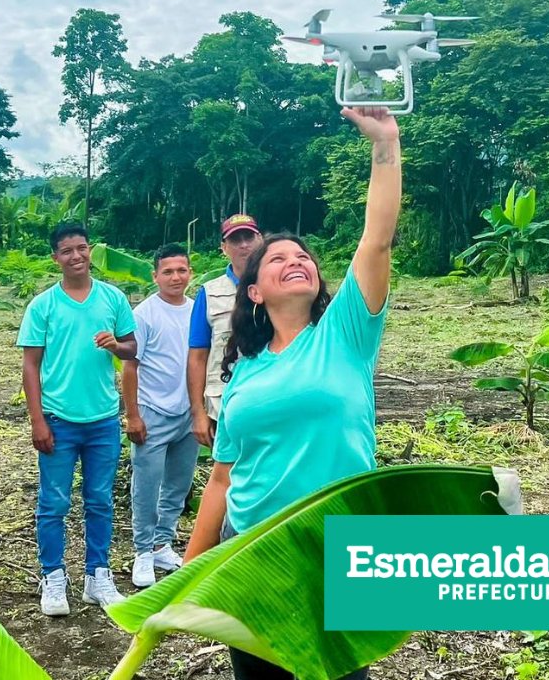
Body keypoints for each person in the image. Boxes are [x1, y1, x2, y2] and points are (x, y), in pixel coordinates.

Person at [184, 106, 400, 680]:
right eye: (277, 258)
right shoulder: (244, 376)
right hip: (253, 553)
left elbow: (376, 241)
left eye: (303, 255)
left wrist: (384, 143)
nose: (296, 259)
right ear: (253, 292)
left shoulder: (346, 336)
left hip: (336, 550)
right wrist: (189, 573)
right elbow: (223, 480)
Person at [17, 220, 137, 616]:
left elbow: (130, 349)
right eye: (67, 250)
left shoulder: (112, 299)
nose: (76, 256)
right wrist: (38, 420)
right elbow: (31, 366)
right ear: (56, 258)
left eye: (82, 248)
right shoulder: (44, 306)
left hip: (103, 418)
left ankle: (97, 576)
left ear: (90, 250)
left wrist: (116, 345)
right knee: (53, 502)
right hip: (59, 419)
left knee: (100, 500)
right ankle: (53, 577)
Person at [123, 244, 199, 588]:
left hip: (189, 411)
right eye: (167, 271)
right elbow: (130, 366)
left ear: (190, 273)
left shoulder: (198, 311)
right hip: (153, 411)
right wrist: (133, 416)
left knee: (178, 484)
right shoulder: (144, 314)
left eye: (181, 270)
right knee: (146, 485)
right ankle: (141, 551)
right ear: (155, 276)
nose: (175, 277)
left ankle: (161, 543)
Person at [187, 214, 262, 446]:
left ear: (260, 239)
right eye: (235, 239)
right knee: (228, 475)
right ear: (224, 248)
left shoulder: (277, 284)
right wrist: (198, 413)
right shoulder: (209, 293)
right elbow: (198, 357)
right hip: (224, 404)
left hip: (271, 399)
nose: (243, 245)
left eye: (249, 237)